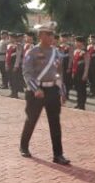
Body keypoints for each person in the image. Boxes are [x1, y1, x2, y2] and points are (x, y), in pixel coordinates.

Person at [19, 21, 70, 165]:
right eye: (48, 34)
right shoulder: (32, 52)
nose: (51, 37)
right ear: (40, 35)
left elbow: (59, 73)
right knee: (31, 119)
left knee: (55, 122)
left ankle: (58, 154)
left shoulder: (56, 52)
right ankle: (24, 146)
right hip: (37, 92)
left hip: (52, 90)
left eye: (52, 34)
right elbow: (27, 73)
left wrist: (62, 91)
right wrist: (36, 89)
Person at [71, 36, 90, 110]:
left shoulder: (85, 52)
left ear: (81, 42)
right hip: (76, 72)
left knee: (82, 89)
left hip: (81, 72)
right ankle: (78, 103)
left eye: (77, 41)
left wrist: (85, 74)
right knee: (77, 88)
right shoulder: (76, 51)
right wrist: (73, 72)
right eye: (75, 41)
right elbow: (74, 63)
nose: (76, 43)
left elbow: (87, 64)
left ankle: (82, 104)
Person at [58, 33, 74, 99]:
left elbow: (71, 57)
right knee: (60, 79)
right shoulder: (59, 46)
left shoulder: (69, 47)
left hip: (66, 63)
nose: (63, 39)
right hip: (60, 64)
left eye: (64, 37)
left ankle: (66, 94)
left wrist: (69, 66)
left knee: (66, 80)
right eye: (62, 37)